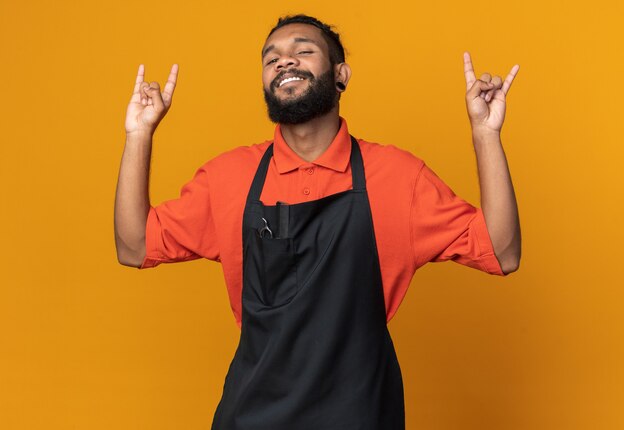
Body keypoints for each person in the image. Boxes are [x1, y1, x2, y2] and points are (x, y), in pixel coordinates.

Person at [114, 14, 521, 430]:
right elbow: (134, 246)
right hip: (252, 416)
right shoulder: (228, 178)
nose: (284, 62)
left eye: (303, 51)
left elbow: (501, 251)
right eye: (272, 59)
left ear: (341, 75)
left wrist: (485, 135)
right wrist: (139, 135)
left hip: (361, 414)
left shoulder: (398, 177)